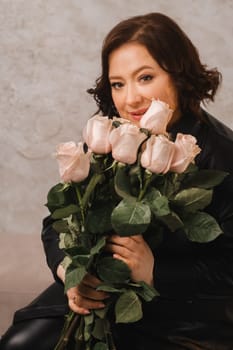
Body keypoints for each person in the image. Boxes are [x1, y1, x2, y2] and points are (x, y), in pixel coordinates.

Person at [1, 12, 233, 350]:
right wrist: (71, 276)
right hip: (97, 292)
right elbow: (58, 221)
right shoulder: (112, 135)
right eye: (118, 83)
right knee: (19, 345)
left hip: (185, 315)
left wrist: (154, 272)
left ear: (178, 75)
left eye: (145, 77)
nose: (130, 99)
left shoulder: (222, 155)